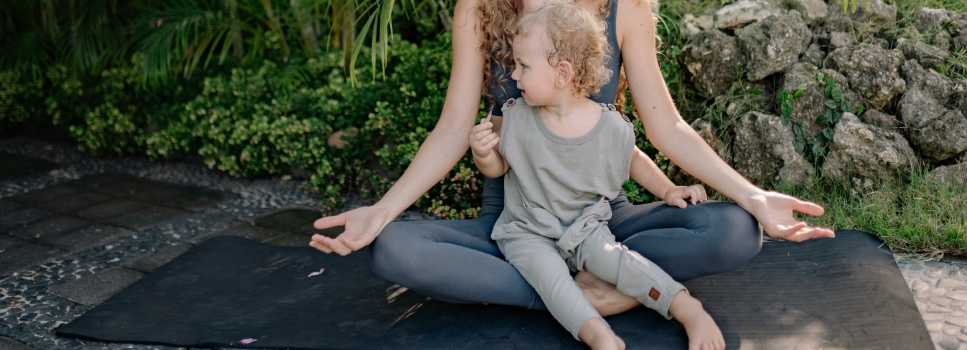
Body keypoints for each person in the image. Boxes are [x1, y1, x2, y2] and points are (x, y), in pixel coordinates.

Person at [312, 0, 833, 340]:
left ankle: (572, 288)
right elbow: (453, 130)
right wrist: (383, 211)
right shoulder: (478, 8)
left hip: (602, 216)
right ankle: (602, 294)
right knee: (395, 250)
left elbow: (666, 127)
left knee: (735, 229)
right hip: (516, 221)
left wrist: (752, 195)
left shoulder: (625, 8)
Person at [467, 3, 723, 349]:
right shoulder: (514, 116)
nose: (513, 77)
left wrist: (668, 189)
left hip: (586, 226)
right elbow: (500, 167)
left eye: (523, 66)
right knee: (551, 278)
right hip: (527, 231)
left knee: (620, 262)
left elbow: (632, 158)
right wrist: (484, 154)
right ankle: (599, 335)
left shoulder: (607, 123)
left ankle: (688, 309)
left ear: (562, 73)